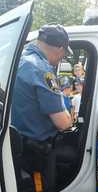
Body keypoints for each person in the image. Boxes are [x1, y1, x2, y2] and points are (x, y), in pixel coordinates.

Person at [11, 24, 75, 191]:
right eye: (63, 55)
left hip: (19, 146)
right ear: (60, 49)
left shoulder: (18, 58)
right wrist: (70, 114)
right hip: (36, 153)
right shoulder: (42, 70)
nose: (61, 58)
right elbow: (63, 123)